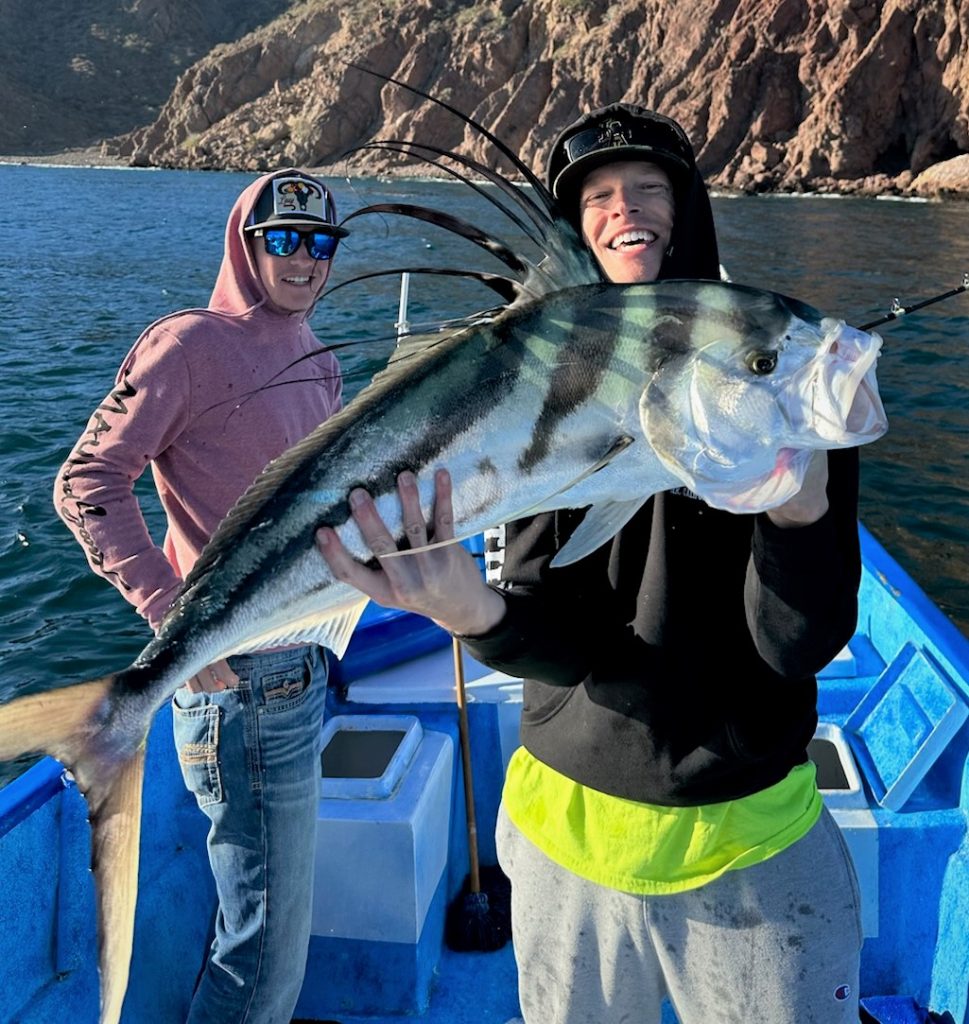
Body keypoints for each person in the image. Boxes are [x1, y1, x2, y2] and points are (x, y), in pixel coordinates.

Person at [316, 103, 864, 1024]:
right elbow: (559, 638)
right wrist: (469, 610)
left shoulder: (776, 380)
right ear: (576, 229)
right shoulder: (539, 388)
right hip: (560, 825)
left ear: (690, 209)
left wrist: (800, 511)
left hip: (749, 832)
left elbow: (796, 644)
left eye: (650, 189)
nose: (625, 210)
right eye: (599, 198)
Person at [54, 168, 347, 1023]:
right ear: (243, 243)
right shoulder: (186, 345)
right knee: (263, 953)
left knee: (270, 930)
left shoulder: (320, 359)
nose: (303, 259)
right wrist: (171, 614)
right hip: (238, 685)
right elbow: (87, 482)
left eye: (320, 242)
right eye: (283, 239)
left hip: (304, 664)